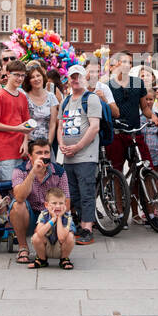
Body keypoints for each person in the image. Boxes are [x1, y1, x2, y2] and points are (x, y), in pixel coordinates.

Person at [59, 64, 102, 244]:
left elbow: (94, 127)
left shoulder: (90, 98)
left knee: (86, 192)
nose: (75, 80)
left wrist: (77, 147)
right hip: (68, 157)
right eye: (72, 77)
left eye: (79, 77)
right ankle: (78, 223)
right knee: (73, 193)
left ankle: (87, 229)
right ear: (68, 79)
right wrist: (62, 144)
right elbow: (60, 126)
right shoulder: (65, 101)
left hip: (86, 155)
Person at [9, 140, 70, 264]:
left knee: (63, 212)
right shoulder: (20, 170)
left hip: (50, 217)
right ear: (30, 156)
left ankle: (53, 248)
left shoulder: (59, 171)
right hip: (29, 217)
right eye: (39, 153)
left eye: (46, 152)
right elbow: (19, 197)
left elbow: (66, 203)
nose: (44, 156)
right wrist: (33, 173)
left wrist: (54, 218)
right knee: (17, 205)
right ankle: (23, 248)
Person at [106, 51, 151, 177]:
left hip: (135, 133)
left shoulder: (138, 83)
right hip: (116, 134)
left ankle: (138, 195)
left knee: (146, 167)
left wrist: (154, 117)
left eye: (130, 62)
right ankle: (118, 196)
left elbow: (145, 108)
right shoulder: (107, 86)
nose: (128, 65)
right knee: (116, 172)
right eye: (124, 62)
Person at [0, 60, 31, 180]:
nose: (20, 78)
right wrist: (16, 128)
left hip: (20, 149)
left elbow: (26, 123)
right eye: (16, 74)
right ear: (7, 74)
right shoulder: (0, 96)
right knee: (9, 188)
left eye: (23, 75)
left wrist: (25, 142)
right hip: (4, 151)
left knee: (21, 189)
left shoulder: (22, 96)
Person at [29, 187, 75, 270]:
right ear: (47, 205)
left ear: (65, 204)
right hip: (45, 248)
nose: (58, 206)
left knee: (70, 237)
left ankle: (64, 259)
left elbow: (61, 238)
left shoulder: (68, 217)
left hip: (60, 248)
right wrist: (53, 219)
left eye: (61, 203)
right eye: (54, 203)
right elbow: (39, 233)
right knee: (36, 237)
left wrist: (59, 218)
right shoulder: (44, 214)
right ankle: (42, 259)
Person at [23, 64, 59, 153]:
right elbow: (23, 122)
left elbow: (52, 124)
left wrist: (49, 145)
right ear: (28, 81)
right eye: (32, 77)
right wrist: (26, 143)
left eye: (38, 75)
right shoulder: (24, 97)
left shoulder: (51, 97)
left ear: (43, 77)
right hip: (30, 143)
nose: (36, 79)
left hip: (46, 143)